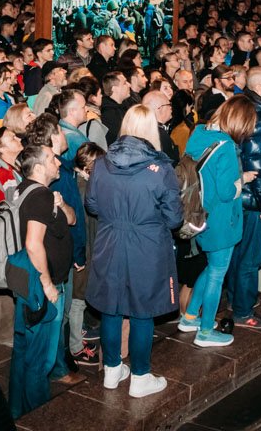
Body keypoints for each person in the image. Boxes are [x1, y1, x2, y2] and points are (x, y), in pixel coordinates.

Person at [85, 105, 182, 399]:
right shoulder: (161, 169)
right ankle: (140, 376)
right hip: (146, 245)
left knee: (111, 307)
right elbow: (174, 218)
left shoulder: (101, 164)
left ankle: (112, 370)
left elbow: (92, 204)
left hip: (110, 241)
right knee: (143, 310)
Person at [177, 96, 257, 346]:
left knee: (211, 268)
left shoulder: (199, 133)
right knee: (217, 274)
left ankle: (190, 317)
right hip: (221, 221)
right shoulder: (226, 146)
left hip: (202, 214)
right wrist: (242, 181)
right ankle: (205, 331)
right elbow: (226, 191)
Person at [7, 144, 78, 416]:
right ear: (38, 168)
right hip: (42, 286)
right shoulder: (40, 197)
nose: (58, 162)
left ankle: (17, 410)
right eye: (51, 159)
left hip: (26, 279)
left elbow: (71, 220)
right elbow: (33, 244)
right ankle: (37, 417)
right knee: (40, 358)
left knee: (24, 350)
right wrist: (48, 285)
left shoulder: (29, 190)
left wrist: (61, 204)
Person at [228, 68, 261, 329]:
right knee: (250, 258)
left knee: (240, 254)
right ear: (260, 86)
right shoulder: (259, 115)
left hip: (246, 198)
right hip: (254, 200)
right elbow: (258, 164)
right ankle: (243, 311)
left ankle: (236, 300)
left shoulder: (254, 108)